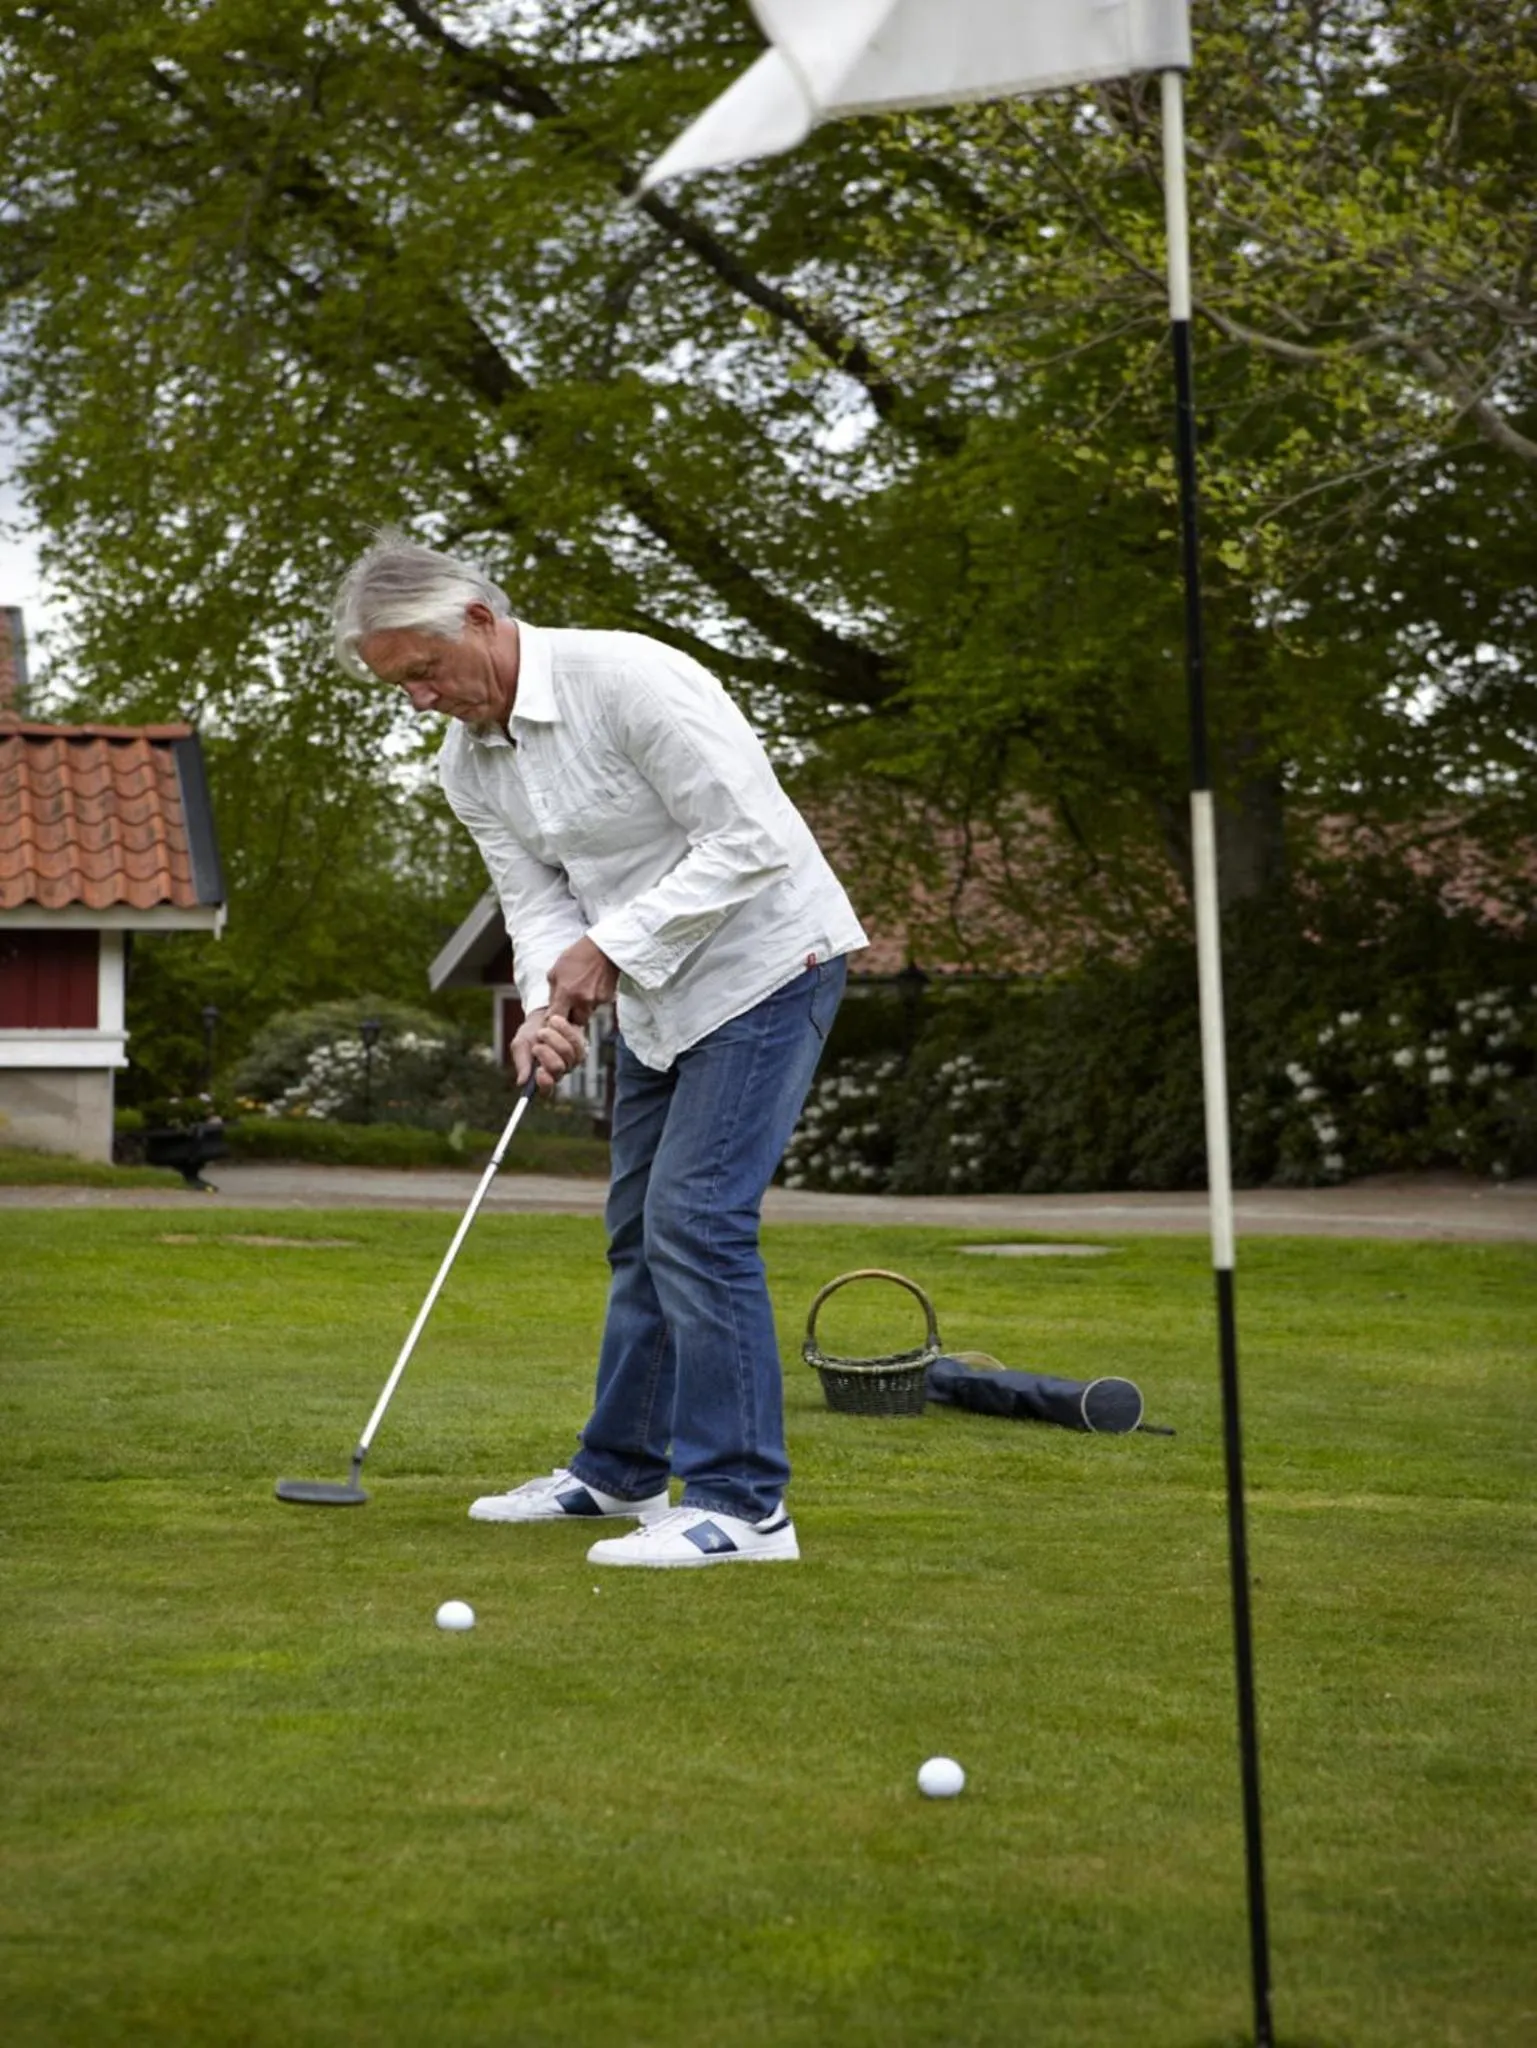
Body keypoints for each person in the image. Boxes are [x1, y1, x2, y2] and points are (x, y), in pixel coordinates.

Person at [332, 533, 866, 1569]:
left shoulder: (631, 678)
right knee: (636, 1230)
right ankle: (620, 1471)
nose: (421, 700)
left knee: (695, 1219)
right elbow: (533, 901)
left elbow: (751, 836)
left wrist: (606, 948)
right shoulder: (467, 762)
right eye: (400, 685)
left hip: (767, 964)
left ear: (479, 619)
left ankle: (743, 1505)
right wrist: (543, 1002)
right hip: (658, 999)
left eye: (426, 671)